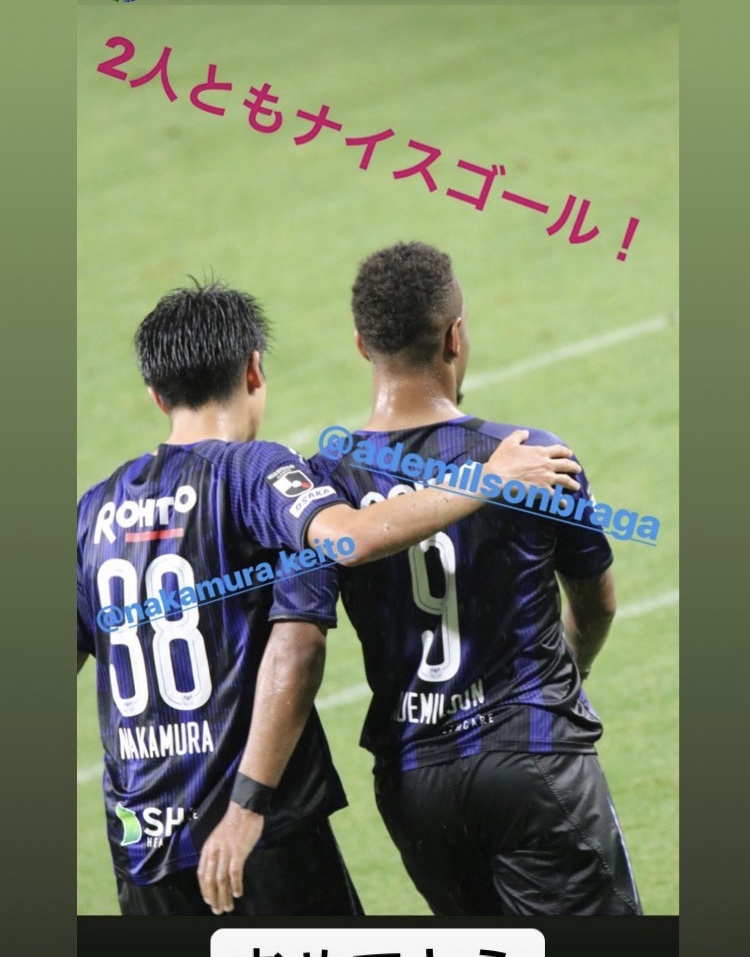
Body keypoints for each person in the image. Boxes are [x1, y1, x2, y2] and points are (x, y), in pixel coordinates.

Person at [77, 279, 581, 917]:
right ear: (253, 370)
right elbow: (346, 545)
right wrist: (488, 477)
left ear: (156, 394)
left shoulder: (92, 512)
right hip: (256, 836)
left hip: (142, 848)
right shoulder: (253, 471)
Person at [199, 244, 642, 917]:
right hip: (533, 759)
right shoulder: (531, 457)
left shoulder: (322, 487)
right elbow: (597, 602)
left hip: (415, 785)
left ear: (361, 346)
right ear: (454, 335)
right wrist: (568, 675)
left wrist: (247, 800)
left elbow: (297, 642)